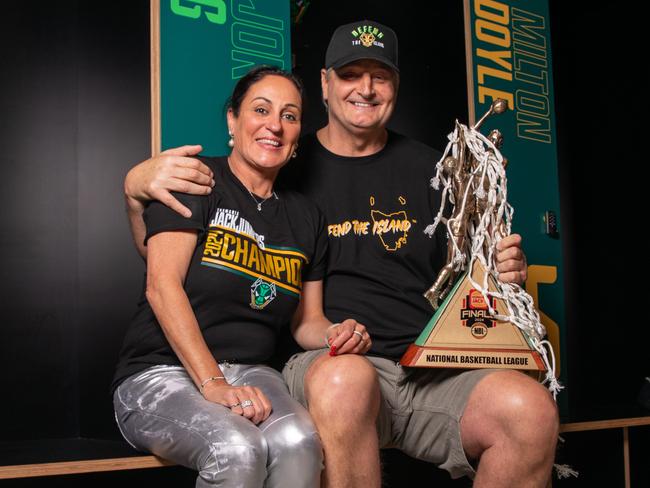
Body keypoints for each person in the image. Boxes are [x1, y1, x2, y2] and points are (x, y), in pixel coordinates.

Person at [123, 21, 559, 488]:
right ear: (326, 84)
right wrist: (133, 190)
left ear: (395, 87)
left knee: (531, 411)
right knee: (344, 381)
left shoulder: (438, 170)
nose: (366, 89)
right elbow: (168, 266)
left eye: (380, 76)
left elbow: (467, 277)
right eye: (351, 74)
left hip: (427, 371)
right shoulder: (282, 161)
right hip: (331, 370)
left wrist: (499, 275)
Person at [112, 65, 371, 488]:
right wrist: (213, 382)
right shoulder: (193, 180)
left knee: (298, 440)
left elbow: (306, 322)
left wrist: (339, 334)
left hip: (250, 373)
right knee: (235, 447)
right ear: (233, 119)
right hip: (159, 373)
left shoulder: (307, 217)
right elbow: (161, 287)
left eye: (289, 116)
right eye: (261, 110)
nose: (275, 125)